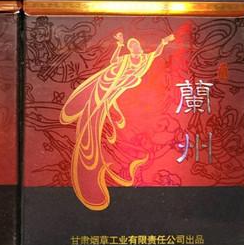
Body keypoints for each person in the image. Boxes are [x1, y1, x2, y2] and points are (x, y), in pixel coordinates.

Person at [60, 32, 175, 210]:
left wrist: (164, 42)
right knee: (96, 111)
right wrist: (119, 45)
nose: (135, 47)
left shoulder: (145, 58)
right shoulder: (126, 58)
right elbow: (114, 61)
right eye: (132, 46)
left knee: (105, 113)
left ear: (140, 47)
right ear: (130, 48)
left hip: (123, 85)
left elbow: (157, 53)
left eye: (136, 45)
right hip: (111, 82)